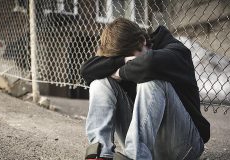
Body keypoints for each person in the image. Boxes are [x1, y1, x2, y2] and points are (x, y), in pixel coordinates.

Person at [81, 18, 210, 160]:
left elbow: (149, 64)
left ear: (142, 41)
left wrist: (119, 72)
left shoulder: (176, 50)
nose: (131, 65)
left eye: (132, 60)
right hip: (148, 146)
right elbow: (86, 70)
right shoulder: (126, 58)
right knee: (100, 83)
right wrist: (123, 61)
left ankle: (136, 156)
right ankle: (101, 155)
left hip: (184, 145)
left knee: (151, 80)